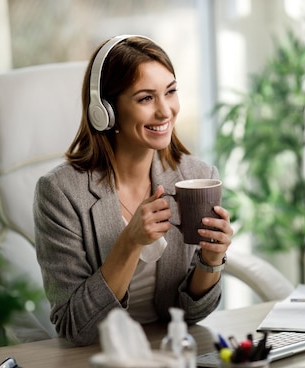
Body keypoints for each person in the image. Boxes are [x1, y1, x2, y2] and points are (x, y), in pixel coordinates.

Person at [33, 35, 233, 346]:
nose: (165, 111)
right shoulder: (60, 193)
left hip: (169, 351)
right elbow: (73, 327)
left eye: (170, 92)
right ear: (106, 111)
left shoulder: (197, 176)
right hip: (98, 360)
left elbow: (191, 315)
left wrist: (212, 260)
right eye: (145, 98)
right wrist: (130, 243)